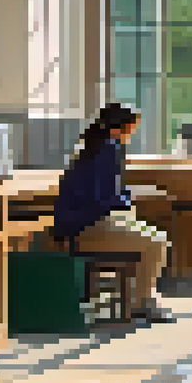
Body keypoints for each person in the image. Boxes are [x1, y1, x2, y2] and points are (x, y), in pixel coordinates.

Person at [52, 103, 174, 323]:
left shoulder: (97, 146)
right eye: (132, 128)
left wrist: (126, 195)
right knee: (156, 242)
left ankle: (142, 299)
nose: (133, 133)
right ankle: (142, 303)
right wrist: (129, 198)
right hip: (86, 228)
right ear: (120, 128)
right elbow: (104, 200)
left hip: (83, 224)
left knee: (153, 236)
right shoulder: (108, 149)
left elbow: (103, 191)